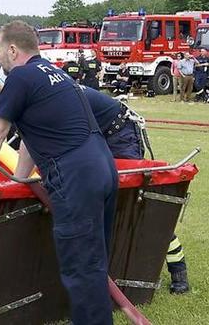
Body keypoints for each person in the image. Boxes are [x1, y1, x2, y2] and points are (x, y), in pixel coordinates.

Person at [0, 21, 116, 324]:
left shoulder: (21, 76)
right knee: (94, 260)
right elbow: (32, 135)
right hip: (102, 165)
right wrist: (22, 176)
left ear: (13, 49)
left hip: (76, 173)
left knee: (82, 268)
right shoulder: (55, 73)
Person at [81, 85, 190, 294]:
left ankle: (178, 270)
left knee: (140, 206)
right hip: (99, 138)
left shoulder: (58, 95)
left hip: (119, 137)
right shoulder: (53, 90)